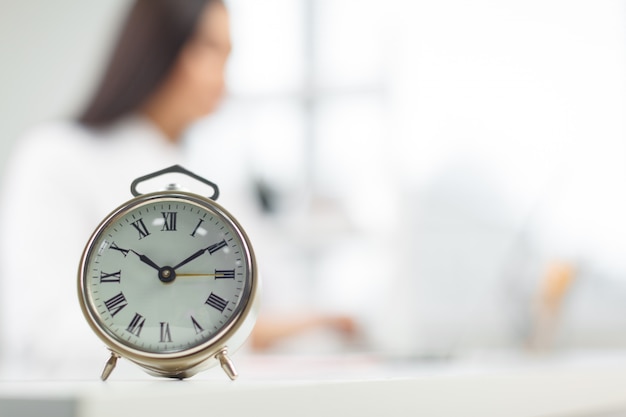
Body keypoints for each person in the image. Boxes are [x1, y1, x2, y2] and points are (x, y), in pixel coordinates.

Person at [0, 0, 355, 378]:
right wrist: (245, 332)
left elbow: (272, 291)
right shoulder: (57, 156)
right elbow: (41, 332)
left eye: (228, 55)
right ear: (158, 47)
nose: (223, 76)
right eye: (210, 49)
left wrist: (308, 325)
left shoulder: (216, 178)